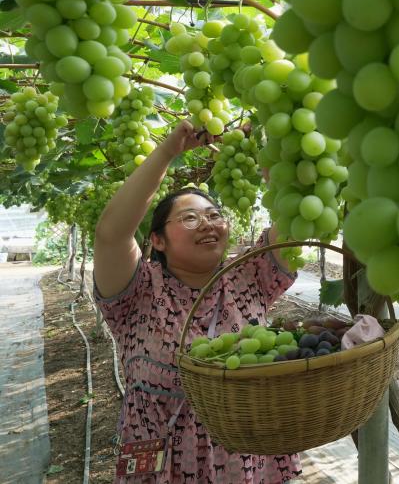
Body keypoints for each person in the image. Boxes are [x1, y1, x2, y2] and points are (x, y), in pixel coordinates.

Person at [93, 120, 301, 483]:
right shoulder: (137, 291)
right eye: (189, 218)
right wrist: (167, 151)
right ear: (157, 240)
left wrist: (266, 142)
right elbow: (111, 233)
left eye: (214, 215)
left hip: (246, 460)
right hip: (161, 466)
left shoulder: (249, 276)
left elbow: (296, 214)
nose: (207, 223)